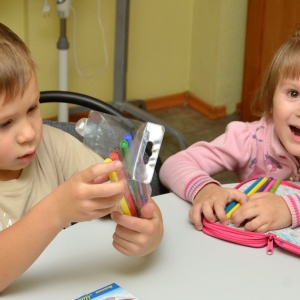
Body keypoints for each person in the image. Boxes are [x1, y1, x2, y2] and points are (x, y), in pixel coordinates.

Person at [0, 23, 163, 292]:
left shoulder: (54, 146)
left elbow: (122, 191)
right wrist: (56, 210)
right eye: (4, 124)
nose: (28, 133)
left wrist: (149, 226)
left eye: (32, 108)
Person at [160, 28, 300, 235]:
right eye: (294, 93)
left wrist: (290, 209)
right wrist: (205, 189)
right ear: (270, 101)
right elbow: (174, 164)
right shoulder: (248, 139)